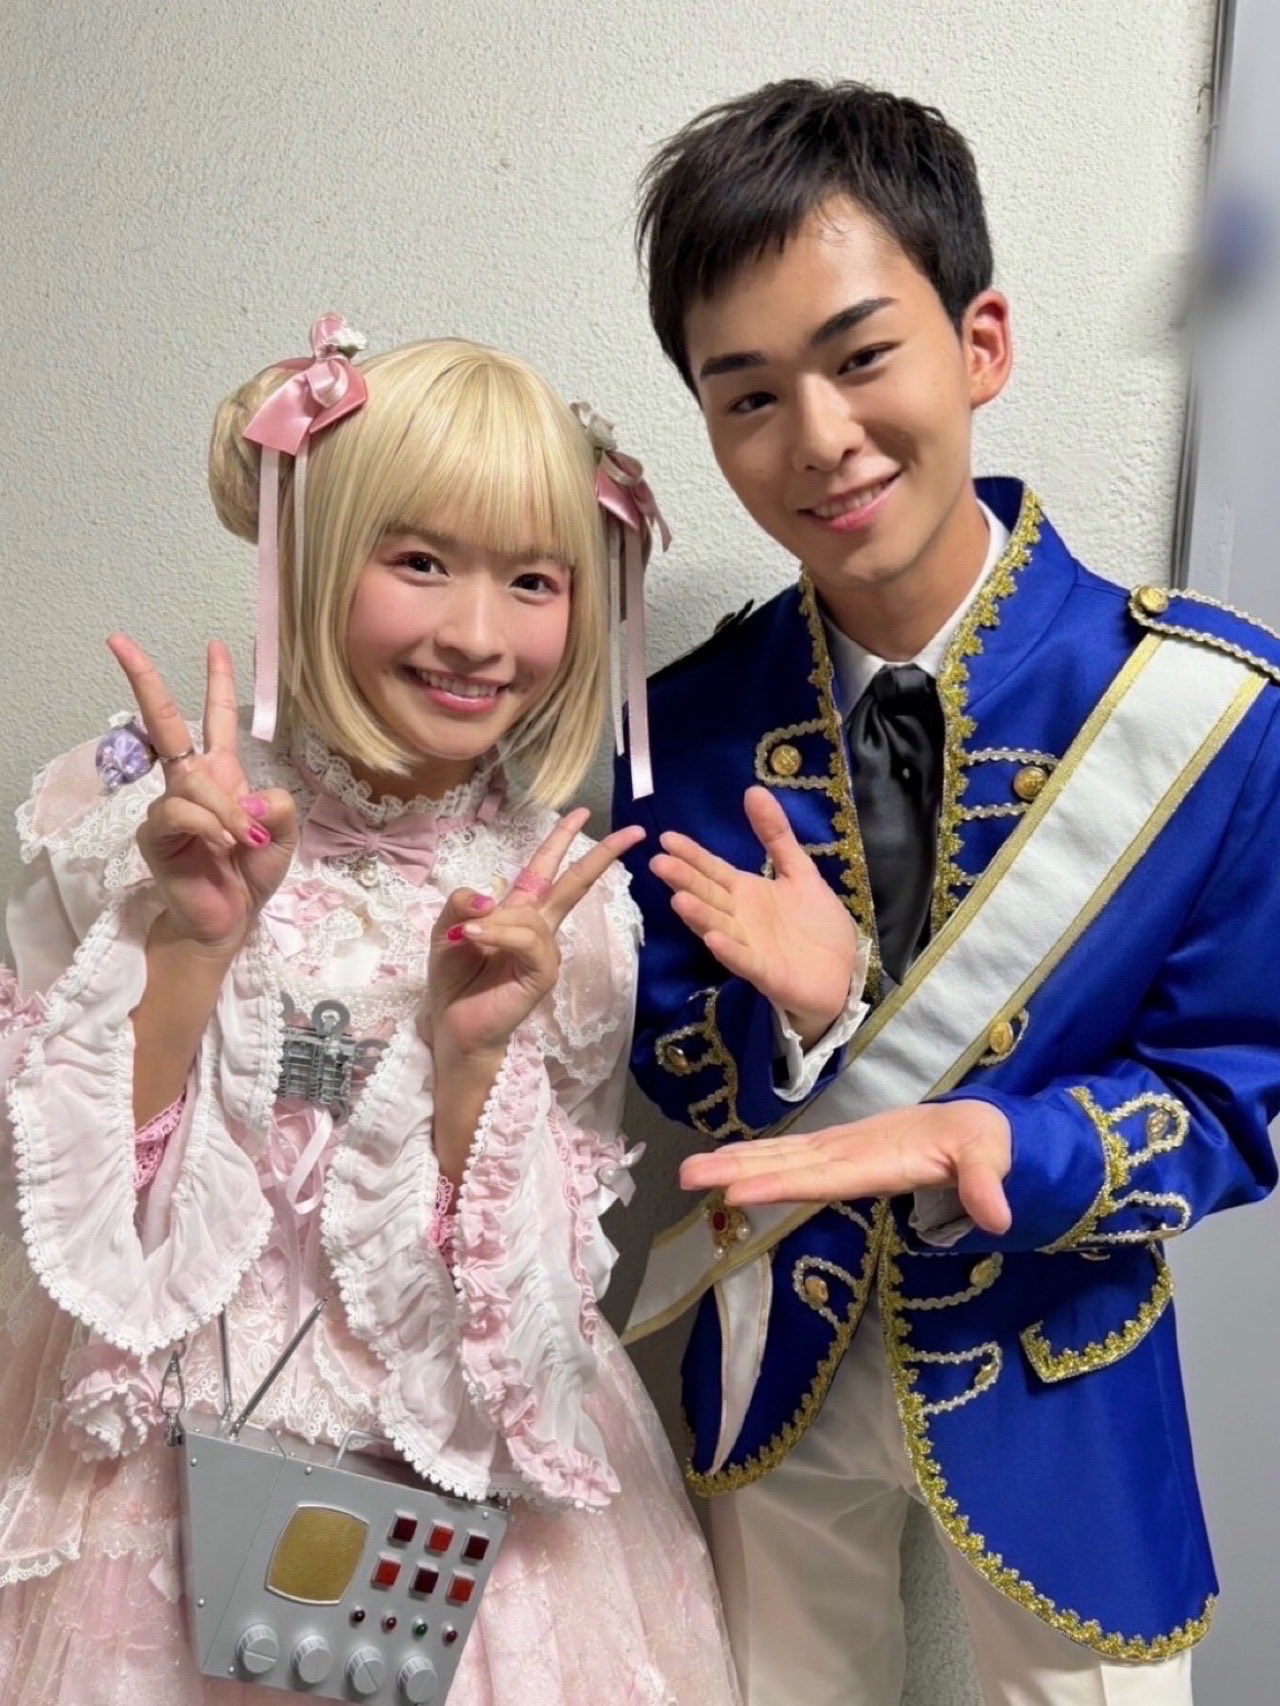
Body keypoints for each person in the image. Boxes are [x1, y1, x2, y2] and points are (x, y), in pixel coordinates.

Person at [614, 79, 1280, 1706]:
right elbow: (666, 1052)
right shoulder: (676, 731)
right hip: (772, 1370)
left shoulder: (1203, 709)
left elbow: (1239, 1088)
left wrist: (1013, 1145)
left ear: (981, 343)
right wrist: (803, 1019)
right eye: (748, 394)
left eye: (860, 356)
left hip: (1063, 1367)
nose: (818, 437)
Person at [0, 319, 741, 1705]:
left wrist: (469, 1064)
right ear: (315, 554)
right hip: (145, 1494)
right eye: (420, 562)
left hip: (458, 1541)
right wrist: (191, 948)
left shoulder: (573, 914)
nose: (478, 635)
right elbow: (60, 1226)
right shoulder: (124, 827)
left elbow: (536, 1310)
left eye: (534, 580)